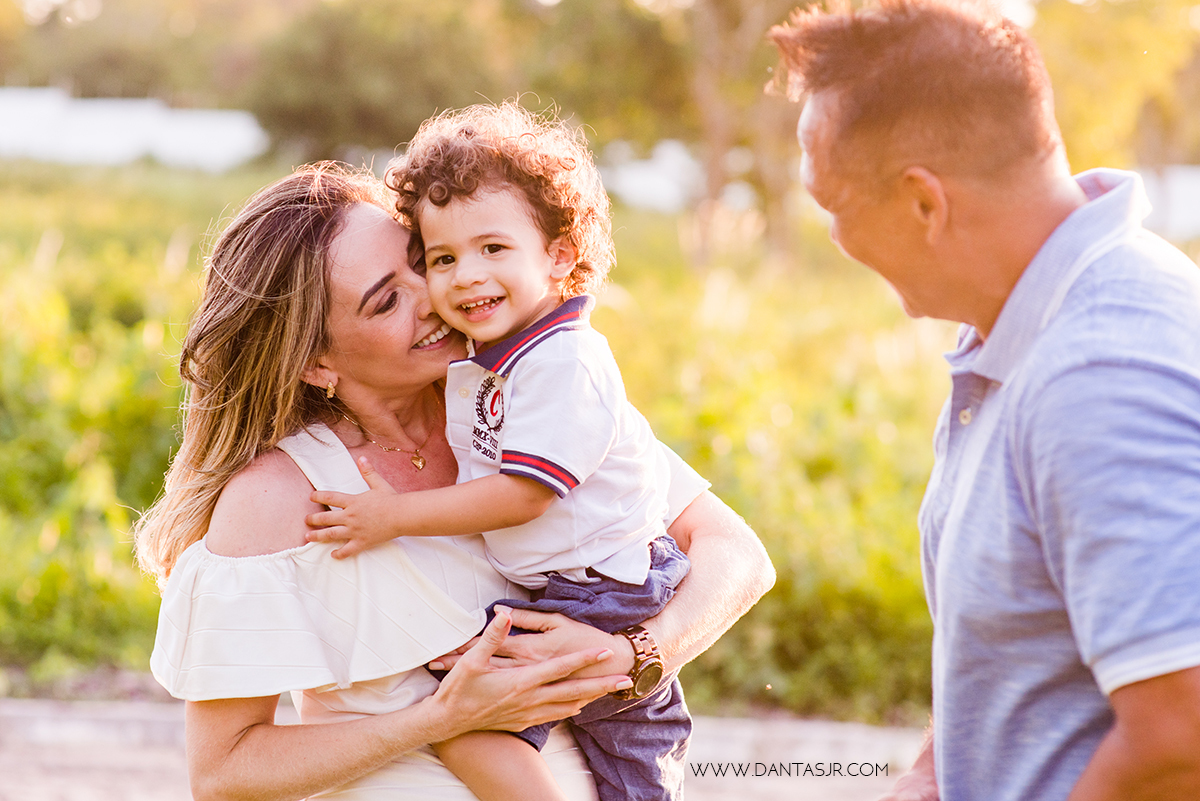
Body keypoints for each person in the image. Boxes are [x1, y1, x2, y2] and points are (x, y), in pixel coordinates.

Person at [133, 161, 775, 801]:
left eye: (423, 262)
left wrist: (635, 654)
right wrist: (440, 720)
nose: (437, 295)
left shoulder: (520, 395)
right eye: (387, 300)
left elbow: (737, 554)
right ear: (316, 363)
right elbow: (223, 773)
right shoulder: (281, 497)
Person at [770, 2, 1200, 800]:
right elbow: (1022, 642)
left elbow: (1182, 740)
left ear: (925, 204)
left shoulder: (1100, 374)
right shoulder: (1023, 322)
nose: (831, 236)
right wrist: (932, 772)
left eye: (833, 205)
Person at [304, 104, 690, 801]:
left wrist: (392, 517)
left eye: (493, 248)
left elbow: (524, 494)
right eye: (443, 259)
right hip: (565, 585)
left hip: (603, 589)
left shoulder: (563, 363)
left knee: (586, 743)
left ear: (559, 255)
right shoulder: (500, 359)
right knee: (466, 711)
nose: (464, 277)